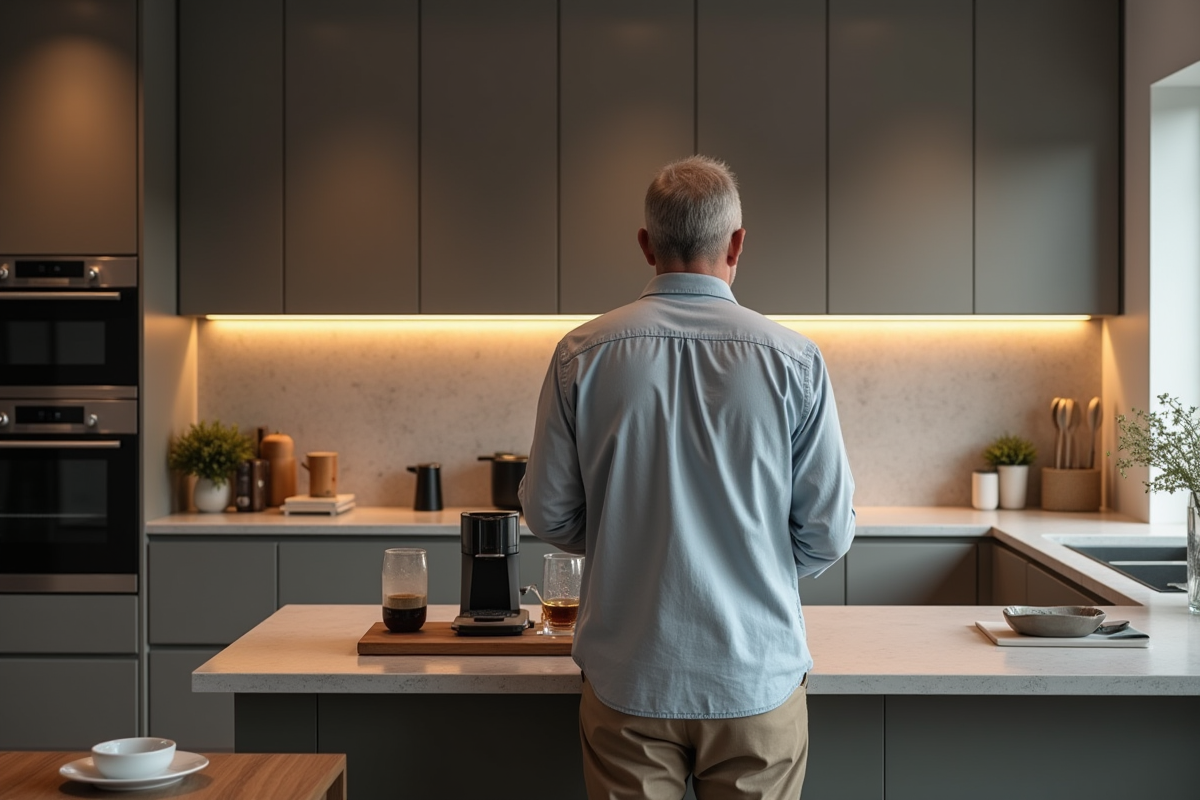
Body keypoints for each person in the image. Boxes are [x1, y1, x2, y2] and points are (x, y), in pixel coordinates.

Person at [519, 155, 856, 800]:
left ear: (646, 246)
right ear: (737, 244)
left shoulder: (582, 354)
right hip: (756, 680)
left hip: (629, 682)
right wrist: (757, 557)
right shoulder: (794, 360)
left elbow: (549, 516)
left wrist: (629, 535)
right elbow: (826, 535)